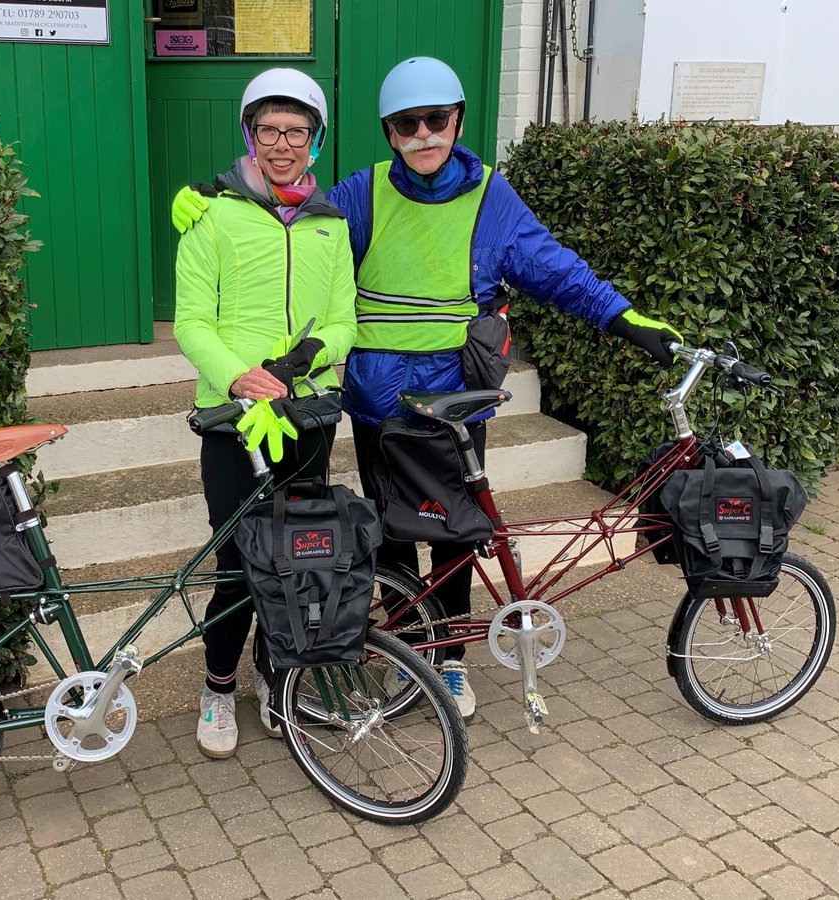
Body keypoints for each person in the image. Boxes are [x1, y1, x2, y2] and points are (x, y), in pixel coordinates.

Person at [173, 57, 679, 720]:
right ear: (388, 132)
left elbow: (555, 268)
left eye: (435, 119)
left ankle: (451, 662)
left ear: (458, 120)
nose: (422, 133)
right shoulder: (364, 192)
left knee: (453, 532)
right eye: (406, 123)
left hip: (452, 399)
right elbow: (291, 235)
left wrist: (622, 316)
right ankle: (404, 650)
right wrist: (211, 202)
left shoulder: (490, 196)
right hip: (375, 401)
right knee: (386, 534)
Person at [173, 68, 357, 759]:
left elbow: (345, 318)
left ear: (315, 140)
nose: (283, 144)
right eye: (270, 130)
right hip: (232, 420)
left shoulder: (329, 223)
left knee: (300, 559)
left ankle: (277, 678)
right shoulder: (210, 213)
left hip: (307, 413)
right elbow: (191, 321)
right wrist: (237, 378)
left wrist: (308, 355)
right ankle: (218, 687)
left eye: (297, 132)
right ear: (250, 133)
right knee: (238, 561)